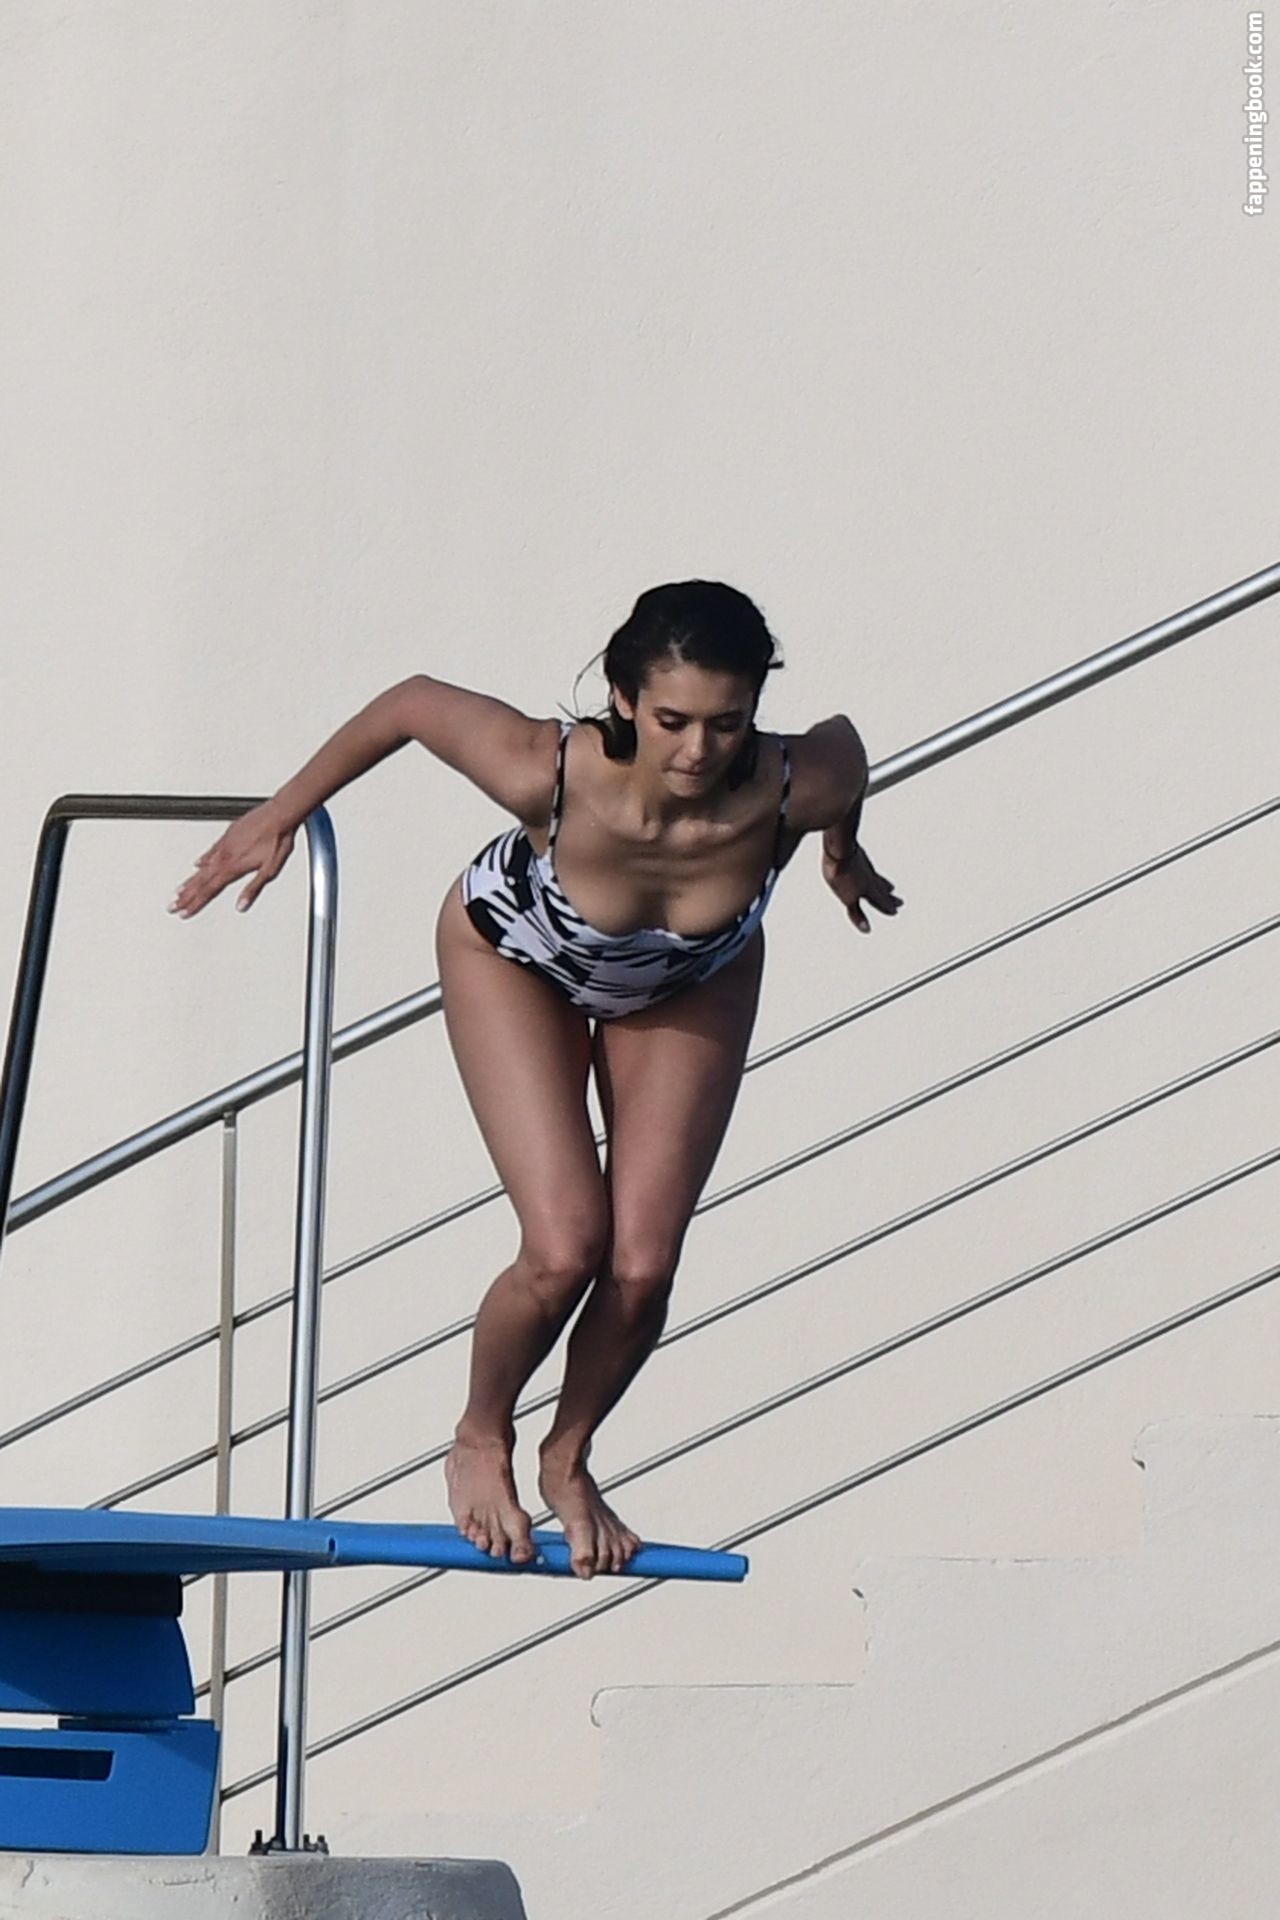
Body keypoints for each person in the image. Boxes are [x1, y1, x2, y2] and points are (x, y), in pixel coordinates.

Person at [169, 581, 901, 1578]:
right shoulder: (543, 770)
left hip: (692, 976)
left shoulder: (792, 784)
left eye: (726, 723)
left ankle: (568, 1455)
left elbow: (846, 754)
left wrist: (841, 854)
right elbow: (410, 703)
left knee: (642, 1267)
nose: (697, 752)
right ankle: (481, 1433)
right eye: (672, 721)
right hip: (517, 955)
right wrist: (281, 813)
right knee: (565, 1247)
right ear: (624, 698)